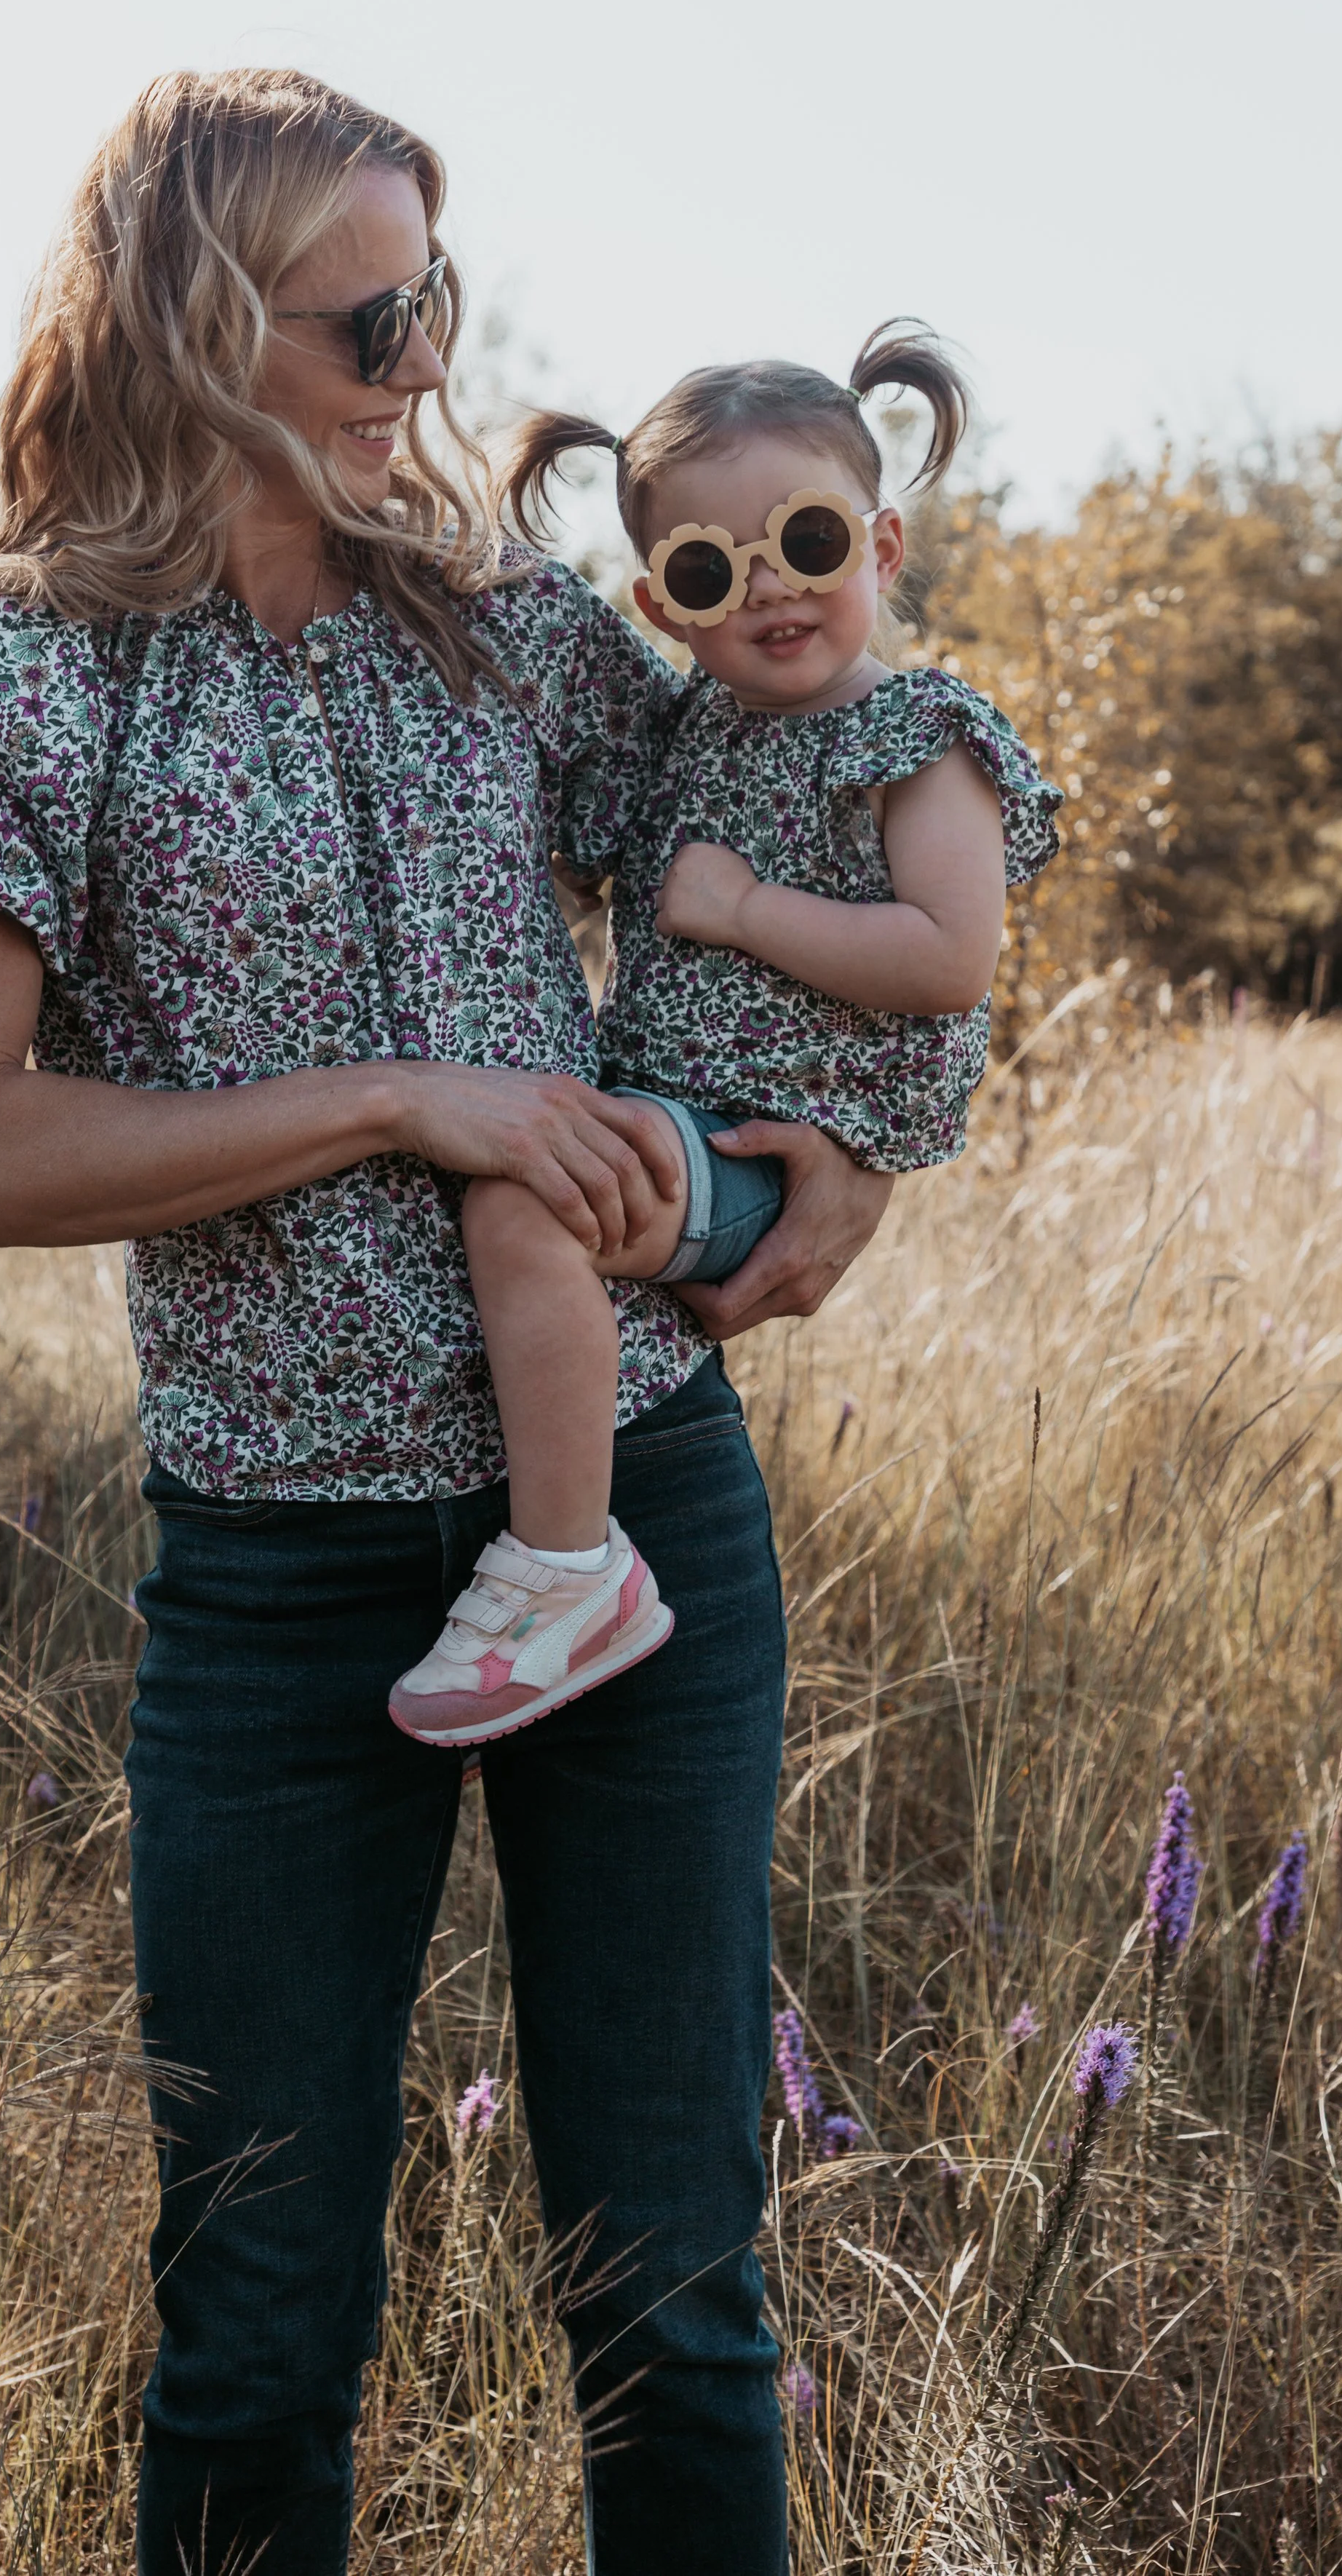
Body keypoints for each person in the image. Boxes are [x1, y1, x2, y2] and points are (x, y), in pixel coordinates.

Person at [0, 68, 895, 2576]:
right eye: (371, 309)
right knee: (266, 2308)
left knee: (680, 2291)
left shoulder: (510, 618)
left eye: (442, 290)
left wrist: (846, 1151)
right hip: (287, 1585)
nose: (428, 352)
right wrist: (410, 1096)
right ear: (195, 324)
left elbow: (815, 807)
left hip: (643, 1511)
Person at [388, 338, 1062, 1747]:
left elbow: (949, 957)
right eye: (707, 568)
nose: (765, 587)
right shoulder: (692, 729)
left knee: (528, 1201)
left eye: (804, 541)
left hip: (771, 1140)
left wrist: (741, 907)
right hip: (691, 1119)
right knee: (544, 1185)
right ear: (658, 606)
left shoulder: (917, 736)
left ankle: (569, 1569)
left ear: (878, 542)